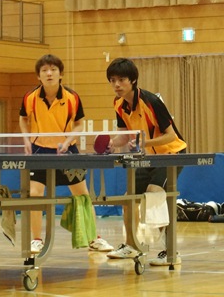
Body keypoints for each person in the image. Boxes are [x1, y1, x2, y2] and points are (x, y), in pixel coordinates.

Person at [19, 54, 113, 254]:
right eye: (44, 70)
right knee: (35, 194)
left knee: (82, 195)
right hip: (39, 151)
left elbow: (79, 124)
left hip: (67, 151)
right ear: (39, 76)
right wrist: (26, 140)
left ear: (61, 74)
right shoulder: (30, 97)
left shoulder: (72, 97)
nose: (49, 73)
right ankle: (36, 239)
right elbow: (23, 119)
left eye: (53, 69)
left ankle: (94, 238)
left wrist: (68, 141)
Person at [104, 58, 187, 266]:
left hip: (170, 154)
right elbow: (125, 136)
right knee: (128, 199)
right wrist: (112, 144)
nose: (116, 85)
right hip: (147, 156)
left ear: (133, 80)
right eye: (112, 80)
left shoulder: (151, 102)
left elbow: (170, 136)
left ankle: (171, 252)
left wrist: (143, 142)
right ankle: (131, 246)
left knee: (154, 195)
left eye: (121, 80)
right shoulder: (119, 104)